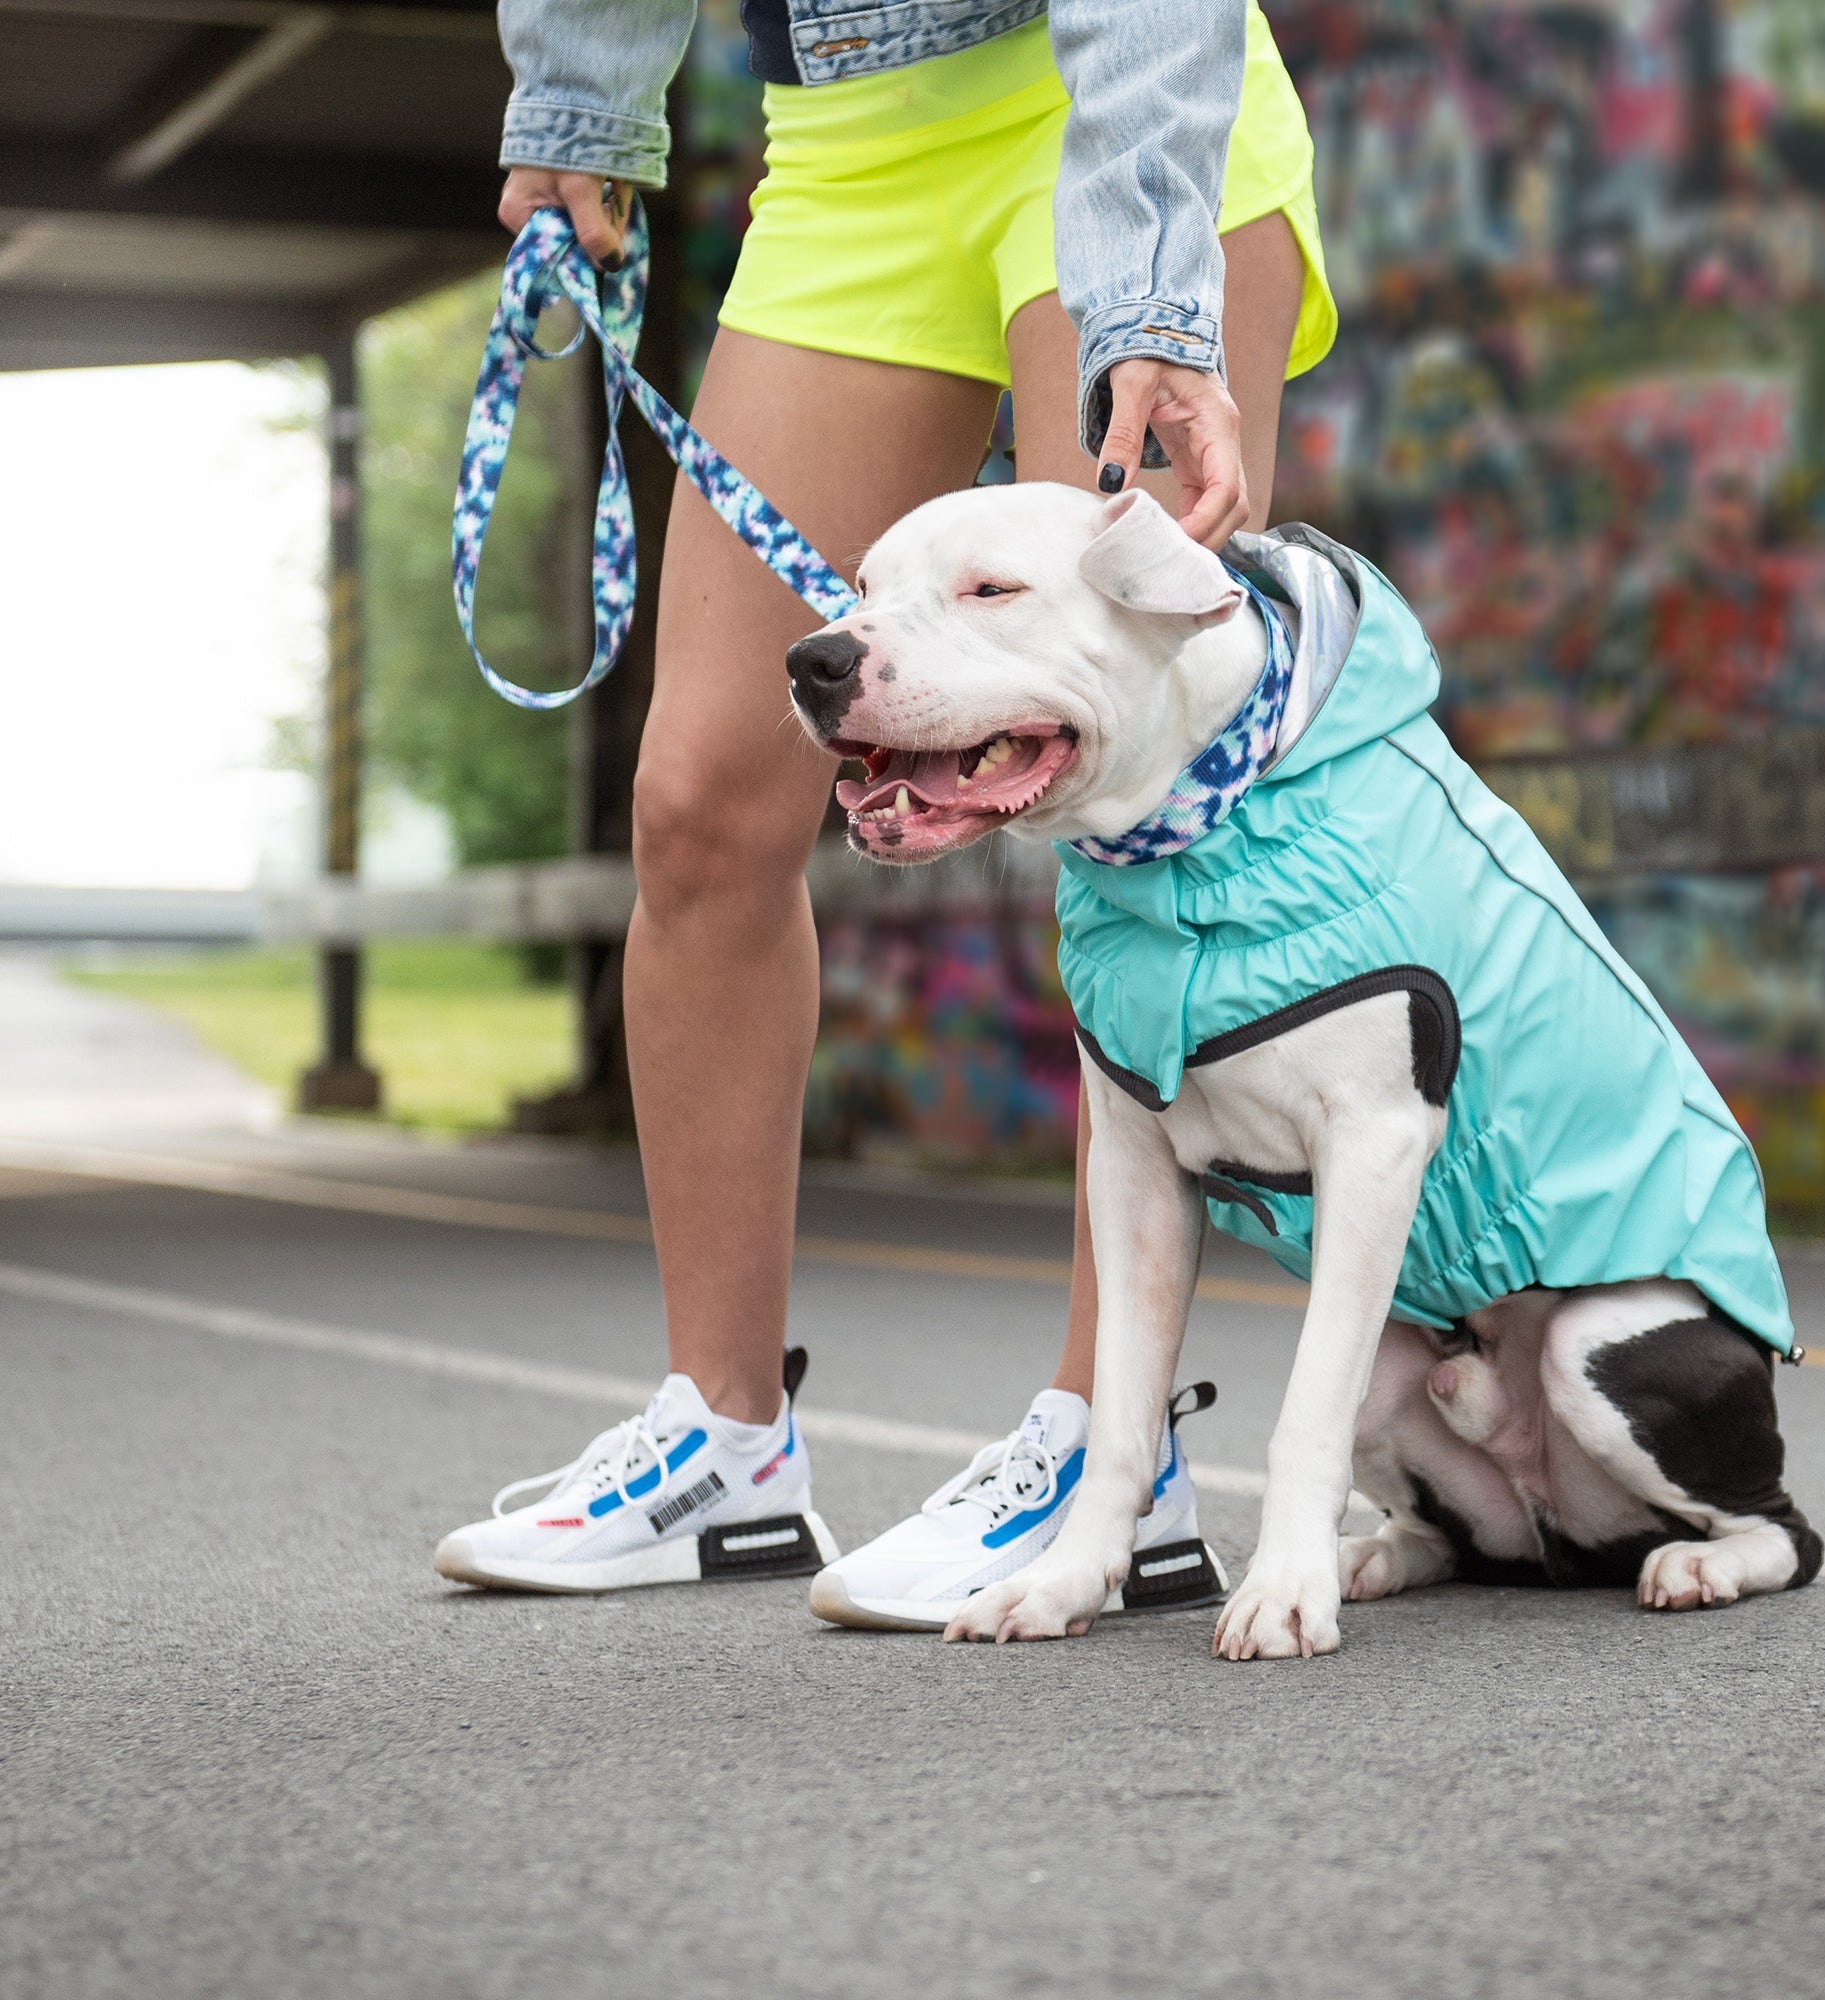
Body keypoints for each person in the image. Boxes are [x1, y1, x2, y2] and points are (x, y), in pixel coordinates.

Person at [434, 0, 1336, 1620]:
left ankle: (1109, 1465)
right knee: (703, 797)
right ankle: (725, 1446)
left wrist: (1147, 287)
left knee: (1121, 789)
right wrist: (575, 111)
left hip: (1112, 109)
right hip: (844, 150)